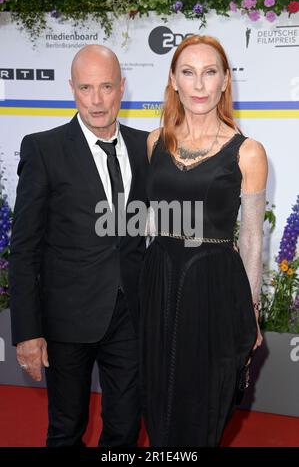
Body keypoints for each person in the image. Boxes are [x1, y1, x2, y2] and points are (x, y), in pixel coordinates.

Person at [9, 45, 149, 447]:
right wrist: (27, 332)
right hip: (66, 321)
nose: (97, 100)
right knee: (66, 429)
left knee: (124, 430)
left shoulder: (147, 147)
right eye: (86, 88)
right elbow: (24, 249)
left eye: (106, 86)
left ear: (122, 87)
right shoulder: (44, 149)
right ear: (72, 89)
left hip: (131, 318)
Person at [140, 35, 267, 447]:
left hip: (213, 289)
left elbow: (250, 236)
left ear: (225, 80)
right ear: (173, 81)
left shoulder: (248, 152)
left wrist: (251, 312)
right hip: (159, 284)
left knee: (203, 408)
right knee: (158, 402)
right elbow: (147, 223)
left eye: (209, 73)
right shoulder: (154, 141)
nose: (199, 85)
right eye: (188, 73)